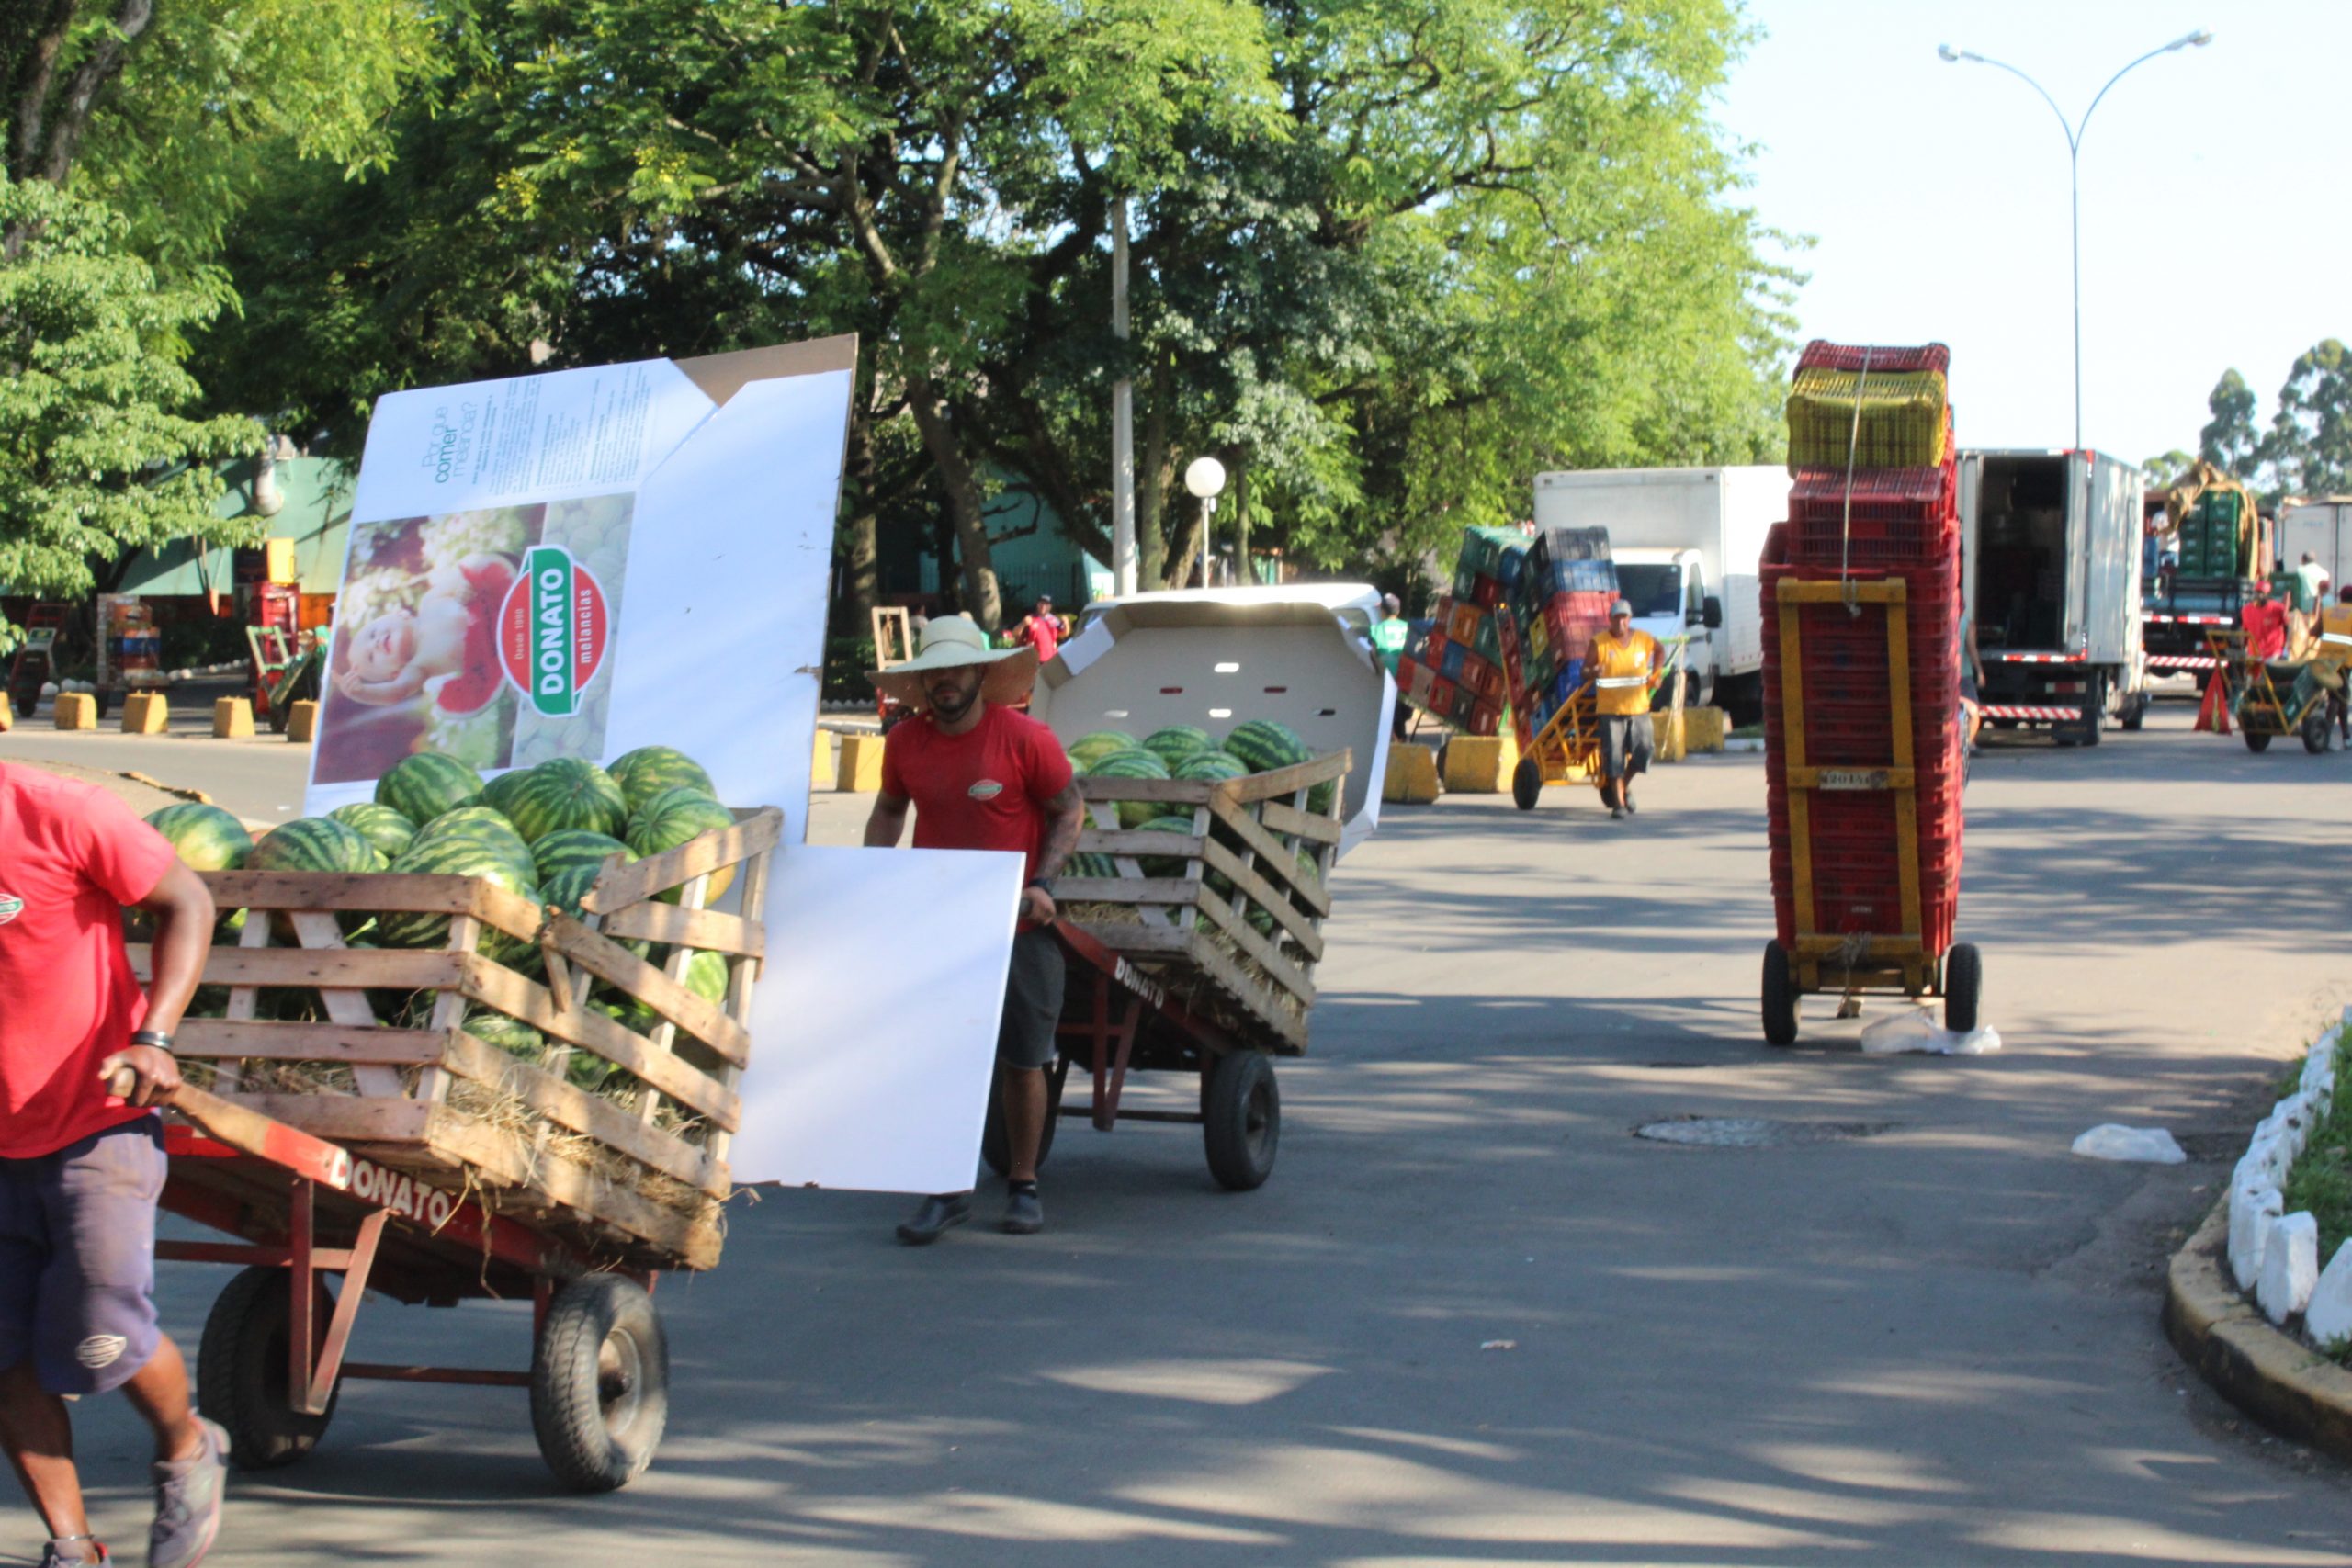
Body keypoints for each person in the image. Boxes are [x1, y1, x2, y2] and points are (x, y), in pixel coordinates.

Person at [0, 763, 230, 1568]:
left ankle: (188, 1447)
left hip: (94, 1123)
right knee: (7, 1358)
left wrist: (156, 1035)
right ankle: (72, 1545)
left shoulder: (61, 812)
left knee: (104, 1329)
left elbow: (188, 899)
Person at [864, 616, 1085, 1242]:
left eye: (956, 670)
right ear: (921, 682)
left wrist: (1044, 883)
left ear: (980, 674)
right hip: (941, 928)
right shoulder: (905, 743)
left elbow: (1070, 807)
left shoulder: (1024, 738)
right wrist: (869, 883)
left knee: (1022, 1059)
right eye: (933, 672)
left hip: (1019, 927)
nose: (945, 682)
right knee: (946, 1060)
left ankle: (1022, 1183)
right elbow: (888, 810)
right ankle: (947, 1188)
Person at [330, 552, 516, 713]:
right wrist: (361, 693)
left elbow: (465, 571)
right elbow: (396, 692)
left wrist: (465, 586)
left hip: (505, 604)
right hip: (504, 654)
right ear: (395, 673)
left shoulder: (430, 601)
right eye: (371, 657)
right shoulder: (418, 668)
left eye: (372, 634)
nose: (375, 643)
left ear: (399, 614)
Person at [1582, 601, 1662, 819]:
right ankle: (1618, 804)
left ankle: (1624, 786)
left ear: (1630, 618)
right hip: (1611, 710)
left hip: (1639, 708)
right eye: (1617, 617)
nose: (1621, 622)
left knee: (1644, 751)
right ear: (1610, 619)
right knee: (1614, 758)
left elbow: (1660, 650)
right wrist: (1593, 670)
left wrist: (1656, 675)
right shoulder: (1599, 643)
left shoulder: (1643, 639)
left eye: (1625, 617)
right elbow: (1585, 670)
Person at [1369, 593, 1411, 740]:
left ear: (1382, 611)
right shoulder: (1407, 628)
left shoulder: (1376, 630)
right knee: (1400, 720)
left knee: (1388, 721)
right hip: (1405, 684)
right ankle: (1400, 740)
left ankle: (1394, 741)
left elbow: (1373, 655)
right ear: (1398, 611)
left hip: (1386, 683)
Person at [1012, 594, 1062, 667]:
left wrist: (1066, 624)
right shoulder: (1030, 619)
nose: (1043, 606)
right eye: (1041, 603)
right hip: (1035, 660)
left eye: (1046, 604)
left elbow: (1063, 634)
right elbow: (1014, 634)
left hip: (1052, 659)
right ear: (1037, 604)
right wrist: (1022, 624)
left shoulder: (1054, 620)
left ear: (1050, 606)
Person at [2244, 588, 2290, 663]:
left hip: (2273, 653)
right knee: (2252, 674)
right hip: (2254, 652)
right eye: (2256, 592)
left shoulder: (2278, 608)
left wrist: (2285, 648)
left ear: (2267, 595)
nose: (2258, 595)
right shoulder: (2246, 610)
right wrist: (2244, 648)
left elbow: (2287, 627)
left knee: (2270, 674)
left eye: (2261, 593)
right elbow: (2245, 631)